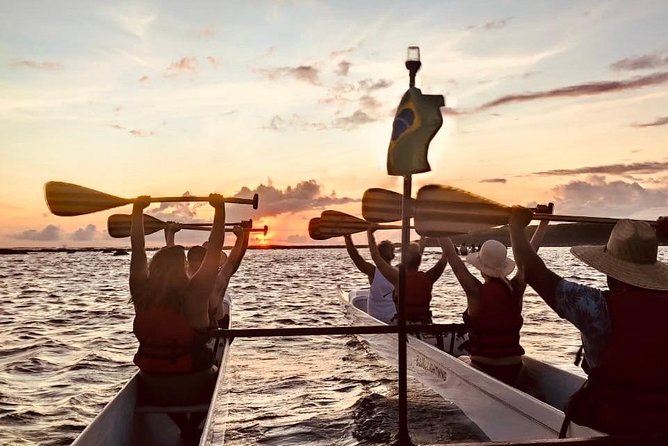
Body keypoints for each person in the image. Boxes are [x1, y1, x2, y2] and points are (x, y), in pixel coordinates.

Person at [509, 208, 668, 435]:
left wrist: (515, 228)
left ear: (610, 273)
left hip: (608, 427)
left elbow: (532, 271)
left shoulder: (596, 308)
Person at [129, 193, 227, 437]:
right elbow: (215, 249)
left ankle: (184, 427)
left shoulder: (140, 292)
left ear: (154, 268)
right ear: (182, 268)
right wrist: (219, 208)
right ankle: (192, 427)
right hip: (197, 385)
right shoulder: (195, 294)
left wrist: (137, 210)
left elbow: (137, 248)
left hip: (152, 384)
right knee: (221, 373)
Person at [441, 221, 548, 386]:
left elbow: (450, 255)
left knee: (460, 359)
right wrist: (543, 224)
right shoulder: (516, 288)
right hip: (516, 370)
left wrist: (436, 225)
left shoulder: (474, 291)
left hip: (482, 368)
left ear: (481, 266)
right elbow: (530, 255)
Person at [367, 227, 448, 324]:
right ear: (419, 261)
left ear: (404, 262)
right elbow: (445, 257)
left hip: (405, 327)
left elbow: (376, 258)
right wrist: (439, 232)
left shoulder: (398, 278)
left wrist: (370, 233)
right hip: (425, 325)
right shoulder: (429, 277)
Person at [343, 234, 396, 323]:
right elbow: (355, 257)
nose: (393, 249)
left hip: (392, 318)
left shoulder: (397, 271)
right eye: (390, 248)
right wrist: (348, 239)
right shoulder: (373, 271)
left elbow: (415, 260)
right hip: (377, 319)